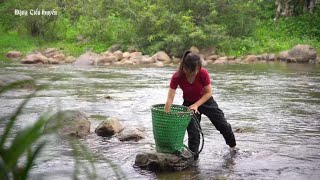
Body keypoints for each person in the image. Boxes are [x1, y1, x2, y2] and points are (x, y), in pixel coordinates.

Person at [164, 50, 237, 160]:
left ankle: (233, 148)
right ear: (185, 67)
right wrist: (166, 116)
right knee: (193, 134)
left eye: (198, 69)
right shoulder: (177, 76)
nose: (196, 72)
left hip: (206, 101)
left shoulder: (203, 73)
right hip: (189, 104)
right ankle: (194, 160)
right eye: (193, 70)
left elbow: (208, 93)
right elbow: (170, 98)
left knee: (223, 125)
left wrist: (196, 105)